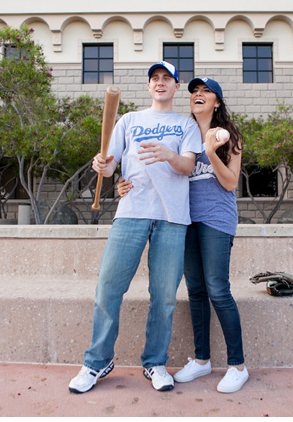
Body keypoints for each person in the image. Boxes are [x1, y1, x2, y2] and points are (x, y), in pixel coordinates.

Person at [68, 61, 202, 394]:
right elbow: (111, 166)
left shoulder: (186, 124)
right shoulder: (128, 120)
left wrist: (168, 154)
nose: (160, 83)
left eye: (166, 79)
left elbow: (187, 166)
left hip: (172, 217)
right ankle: (97, 362)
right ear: (148, 86)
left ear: (175, 86)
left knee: (164, 297)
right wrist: (102, 164)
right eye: (155, 79)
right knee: (108, 288)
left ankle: (155, 362)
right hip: (131, 212)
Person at [117, 77, 249, 393]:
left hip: (216, 219)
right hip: (183, 219)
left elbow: (230, 183)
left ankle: (238, 365)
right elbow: (158, 167)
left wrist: (211, 152)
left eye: (206, 92)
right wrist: (123, 184)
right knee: (196, 291)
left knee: (218, 288)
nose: (198, 95)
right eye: (194, 92)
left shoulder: (228, 137)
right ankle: (202, 360)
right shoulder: (181, 132)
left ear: (217, 101)